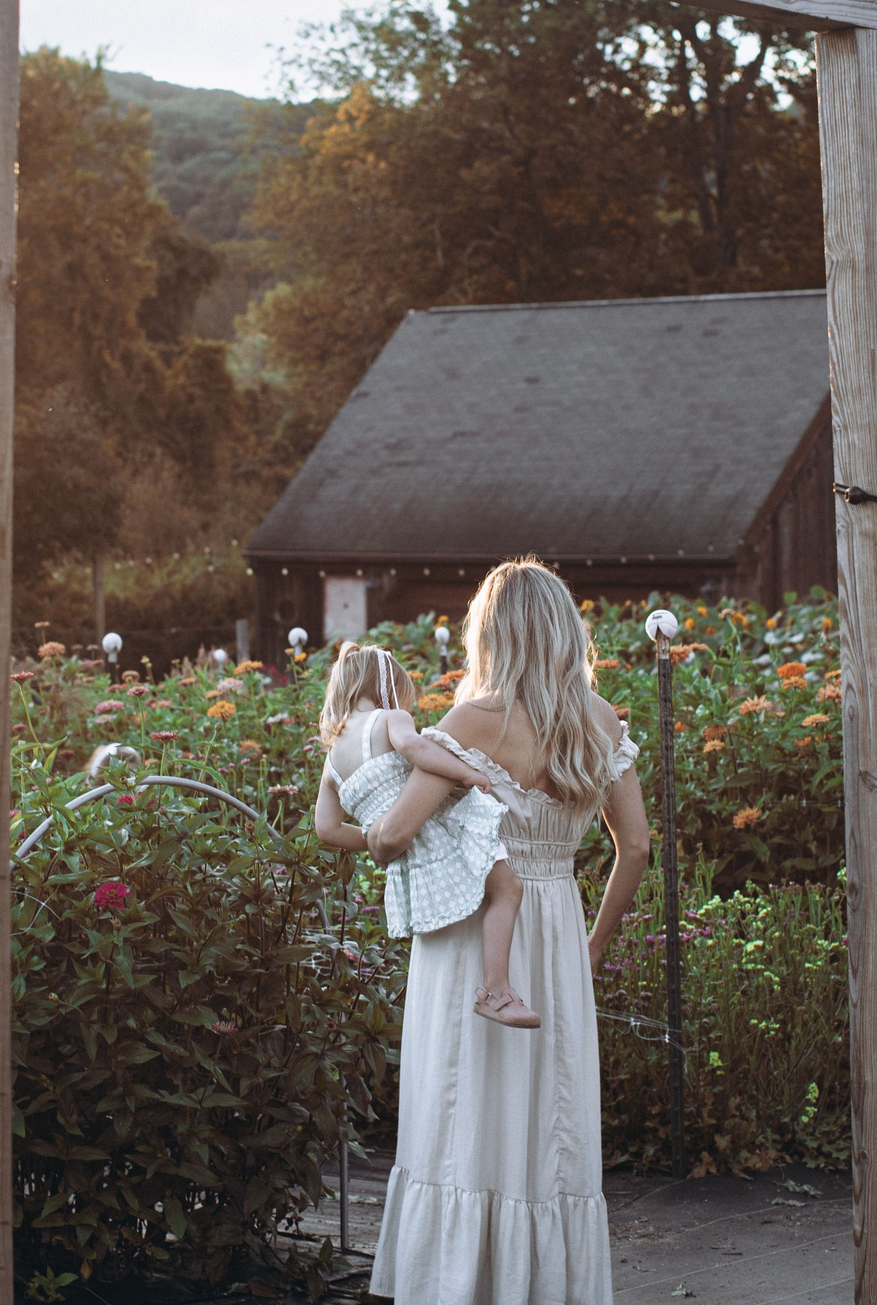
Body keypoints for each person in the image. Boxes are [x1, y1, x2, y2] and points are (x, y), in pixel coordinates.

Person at [355, 559, 653, 1305]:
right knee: (549, 1117)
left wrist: (359, 806)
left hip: (471, 931)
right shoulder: (601, 720)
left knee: (461, 1109)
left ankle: (458, 1282)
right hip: (556, 931)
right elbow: (637, 847)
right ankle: (542, 1284)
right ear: (565, 631)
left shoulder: (471, 722)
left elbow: (394, 837)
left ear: (489, 633)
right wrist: (591, 948)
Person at [312, 640, 542, 1027]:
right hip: (438, 833)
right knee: (508, 889)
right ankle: (496, 991)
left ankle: (486, 993)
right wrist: (466, 773)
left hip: (408, 861)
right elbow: (414, 746)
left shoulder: (332, 758)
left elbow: (327, 828)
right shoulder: (390, 718)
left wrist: (374, 840)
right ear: (385, 687)